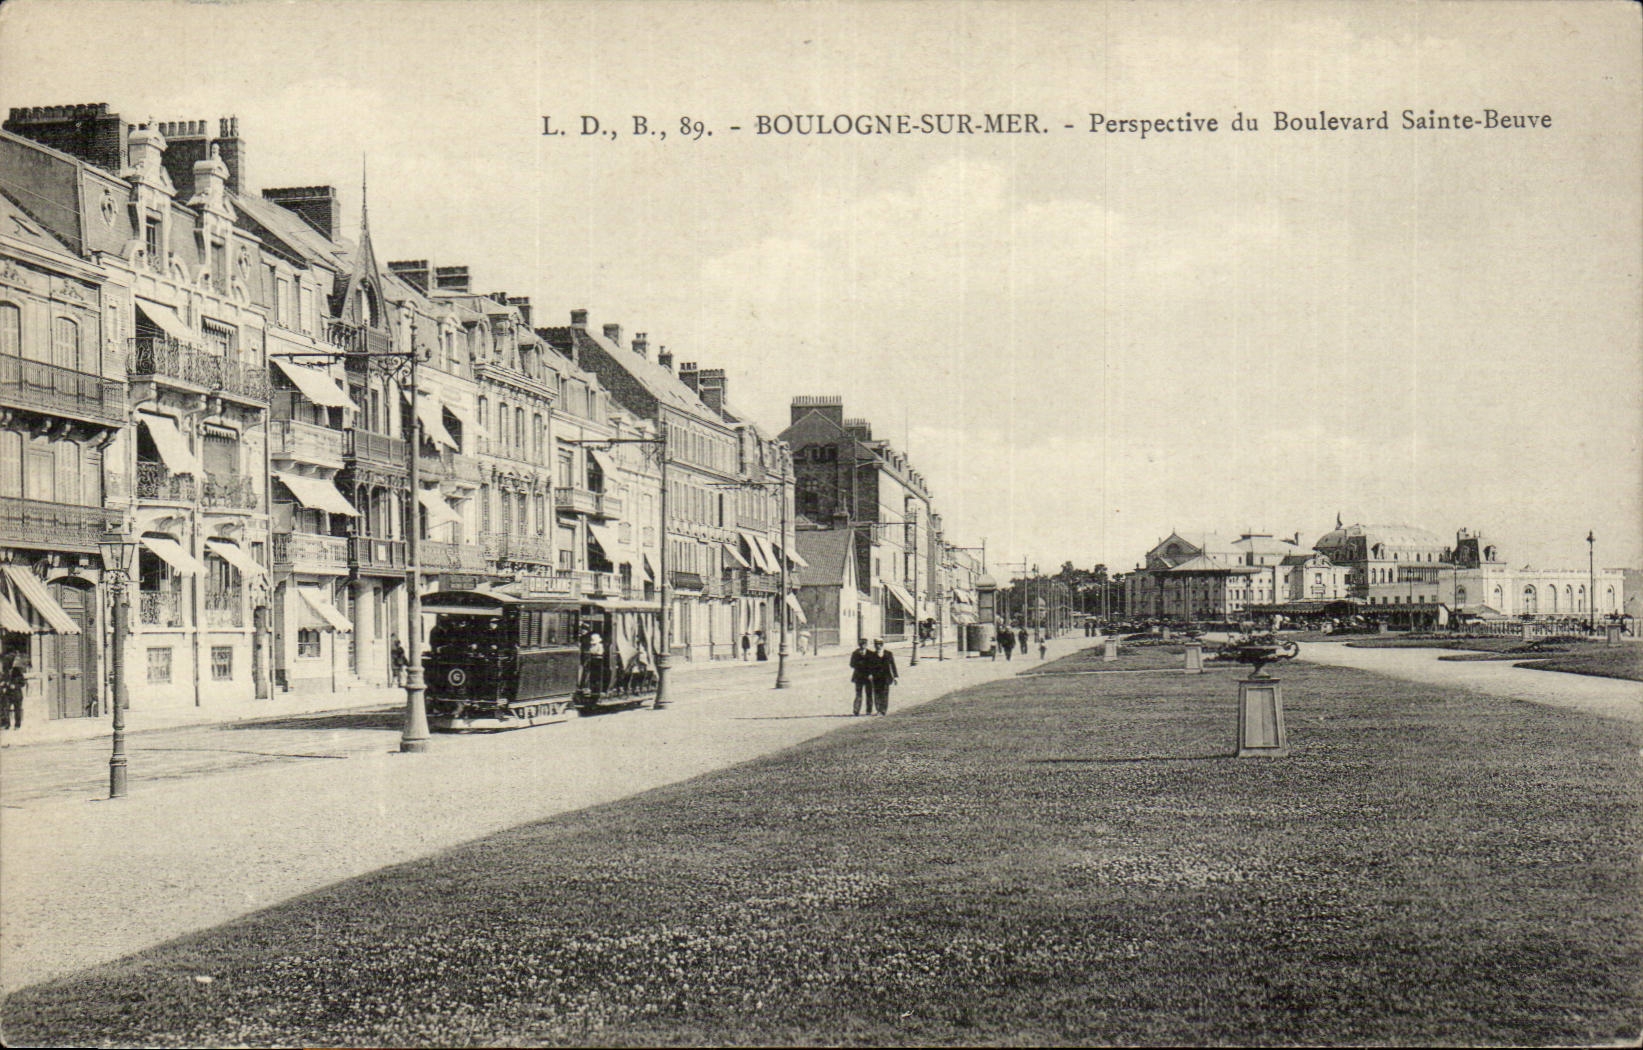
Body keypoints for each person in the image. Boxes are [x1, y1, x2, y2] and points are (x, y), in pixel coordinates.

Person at [867, 637, 898, 715]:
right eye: (876, 645)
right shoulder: (872, 655)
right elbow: (869, 666)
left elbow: (893, 665)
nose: (878, 646)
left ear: (882, 645)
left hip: (886, 677)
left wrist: (896, 677)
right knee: (877, 694)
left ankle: (883, 710)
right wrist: (870, 674)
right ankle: (878, 709)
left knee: (884, 694)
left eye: (879, 645)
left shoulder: (888, 654)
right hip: (876, 677)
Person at [849, 638, 873, 715]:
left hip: (868, 676)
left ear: (866, 645)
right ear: (859, 645)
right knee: (858, 693)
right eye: (861, 644)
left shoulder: (870, 653)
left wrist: (870, 673)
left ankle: (869, 710)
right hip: (858, 676)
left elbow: (873, 665)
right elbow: (851, 664)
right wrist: (860, 664)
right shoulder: (855, 653)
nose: (863, 646)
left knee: (869, 694)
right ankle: (856, 710)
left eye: (864, 644)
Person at [1, 657, 24, 731]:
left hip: (17, 694)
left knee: (17, 709)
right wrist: (3, 683)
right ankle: (7, 724)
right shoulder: (5, 672)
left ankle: (17, 725)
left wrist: (15, 686)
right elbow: (4, 680)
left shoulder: (17, 671)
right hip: (8, 694)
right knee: (5, 708)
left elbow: (22, 683)